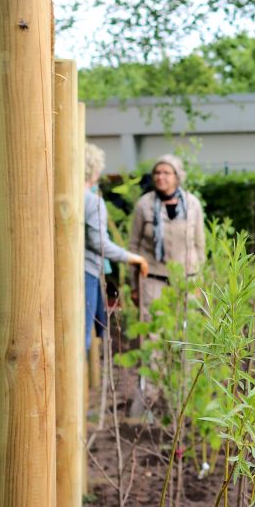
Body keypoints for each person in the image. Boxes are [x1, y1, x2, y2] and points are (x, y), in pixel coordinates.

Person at [84, 144, 148, 353]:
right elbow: (99, 243)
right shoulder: (92, 201)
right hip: (86, 273)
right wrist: (132, 258)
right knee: (81, 337)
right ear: (94, 169)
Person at [128, 155, 207, 321]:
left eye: (166, 172)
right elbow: (133, 247)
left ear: (177, 176)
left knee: (187, 330)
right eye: (157, 172)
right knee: (154, 331)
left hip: (186, 279)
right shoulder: (144, 205)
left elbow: (199, 245)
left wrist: (200, 282)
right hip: (152, 279)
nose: (160, 176)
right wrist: (134, 285)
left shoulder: (192, 204)